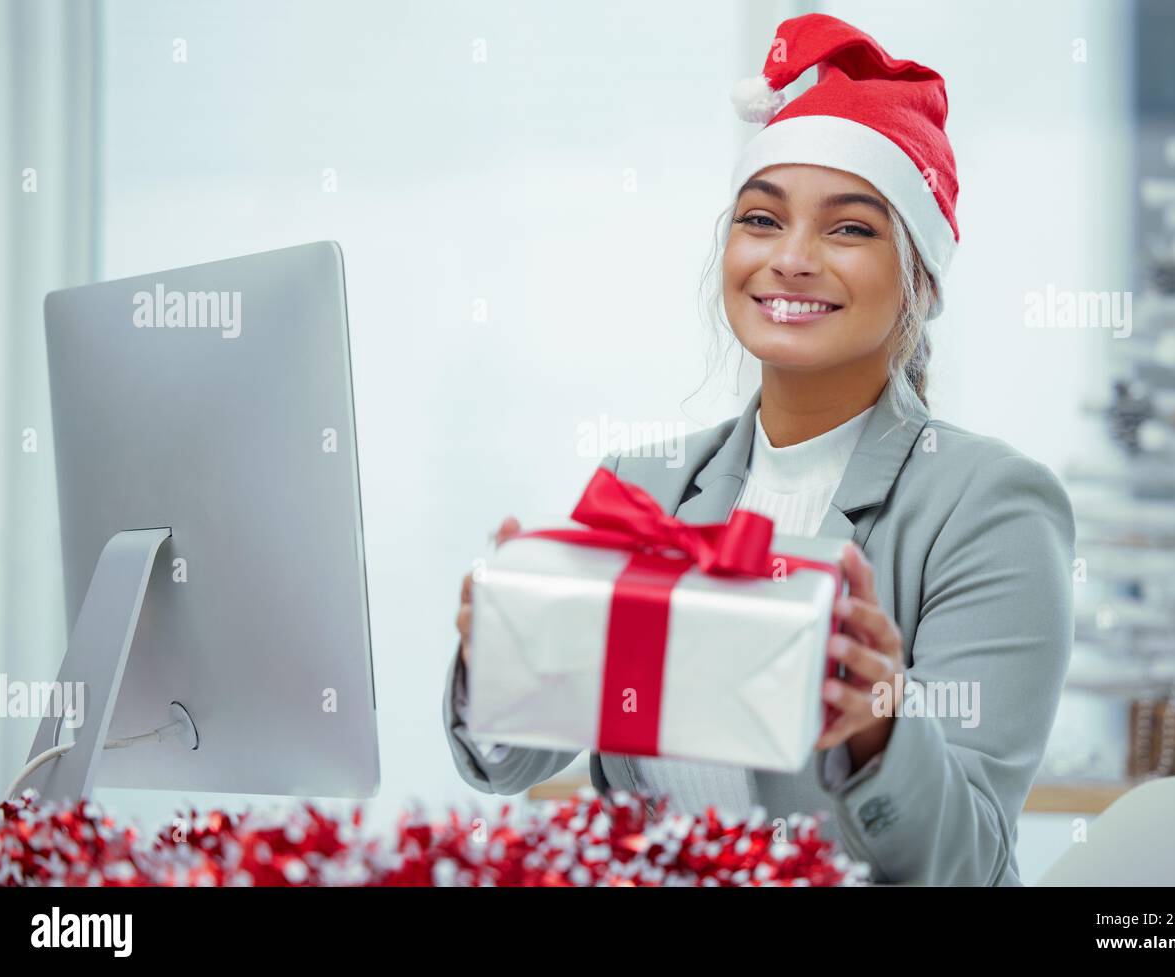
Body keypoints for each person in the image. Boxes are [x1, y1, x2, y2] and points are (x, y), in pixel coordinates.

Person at [443, 13, 1075, 886]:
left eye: (849, 229)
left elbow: (970, 861)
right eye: (761, 219)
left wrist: (879, 730)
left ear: (920, 280)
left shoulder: (993, 505)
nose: (793, 259)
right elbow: (503, 763)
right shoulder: (646, 486)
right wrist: (499, 656)